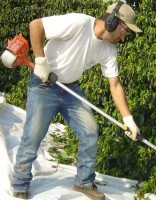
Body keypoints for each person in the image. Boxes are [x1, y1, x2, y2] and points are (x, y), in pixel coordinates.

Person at [11, 1, 142, 200]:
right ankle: (20, 184)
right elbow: (35, 25)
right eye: (125, 30)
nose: (124, 38)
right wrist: (40, 60)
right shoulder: (79, 22)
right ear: (112, 21)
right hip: (43, 85)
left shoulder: (109, 51)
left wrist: (128, 119)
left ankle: (84, 182)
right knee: (33, 136)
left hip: (70, 88)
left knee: (90, 132)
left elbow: (115, 85)